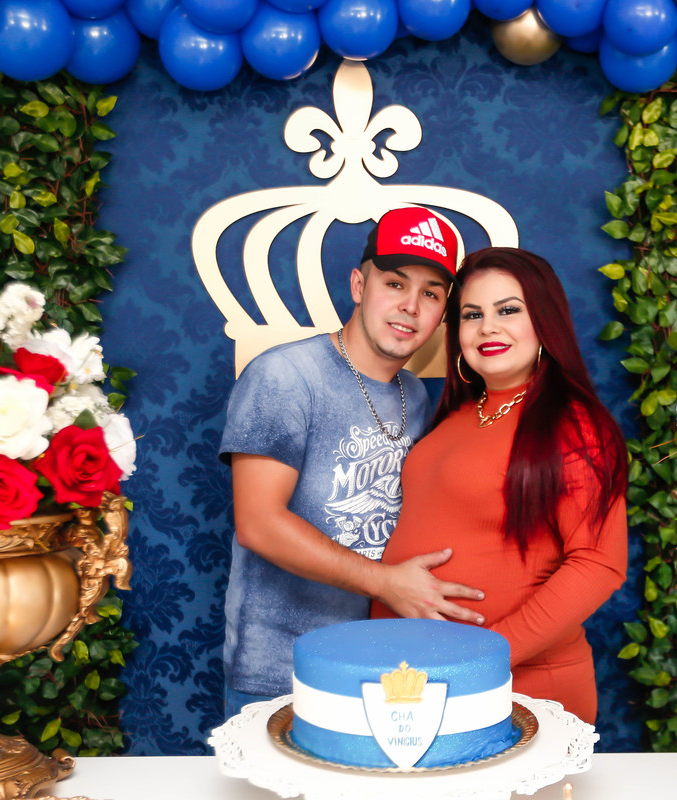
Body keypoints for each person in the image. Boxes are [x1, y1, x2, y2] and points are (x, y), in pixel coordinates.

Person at [218, 206, 486, 718]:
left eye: (431, 294)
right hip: (280, 671)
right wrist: (387, 583)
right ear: (360, 285)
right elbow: (258, 523)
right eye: (395, 283)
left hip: (381, 668)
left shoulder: (414, 394)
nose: (410, 306)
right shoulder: (284, 375)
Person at [371, 246, 629, 723]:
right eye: (472, 315)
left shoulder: (574, 424)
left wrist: (486, 656)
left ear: (545, 321)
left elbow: (598, 565)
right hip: (414, 683)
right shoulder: (456, 415)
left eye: (508, 310)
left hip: (518, 686)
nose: (488, 327)